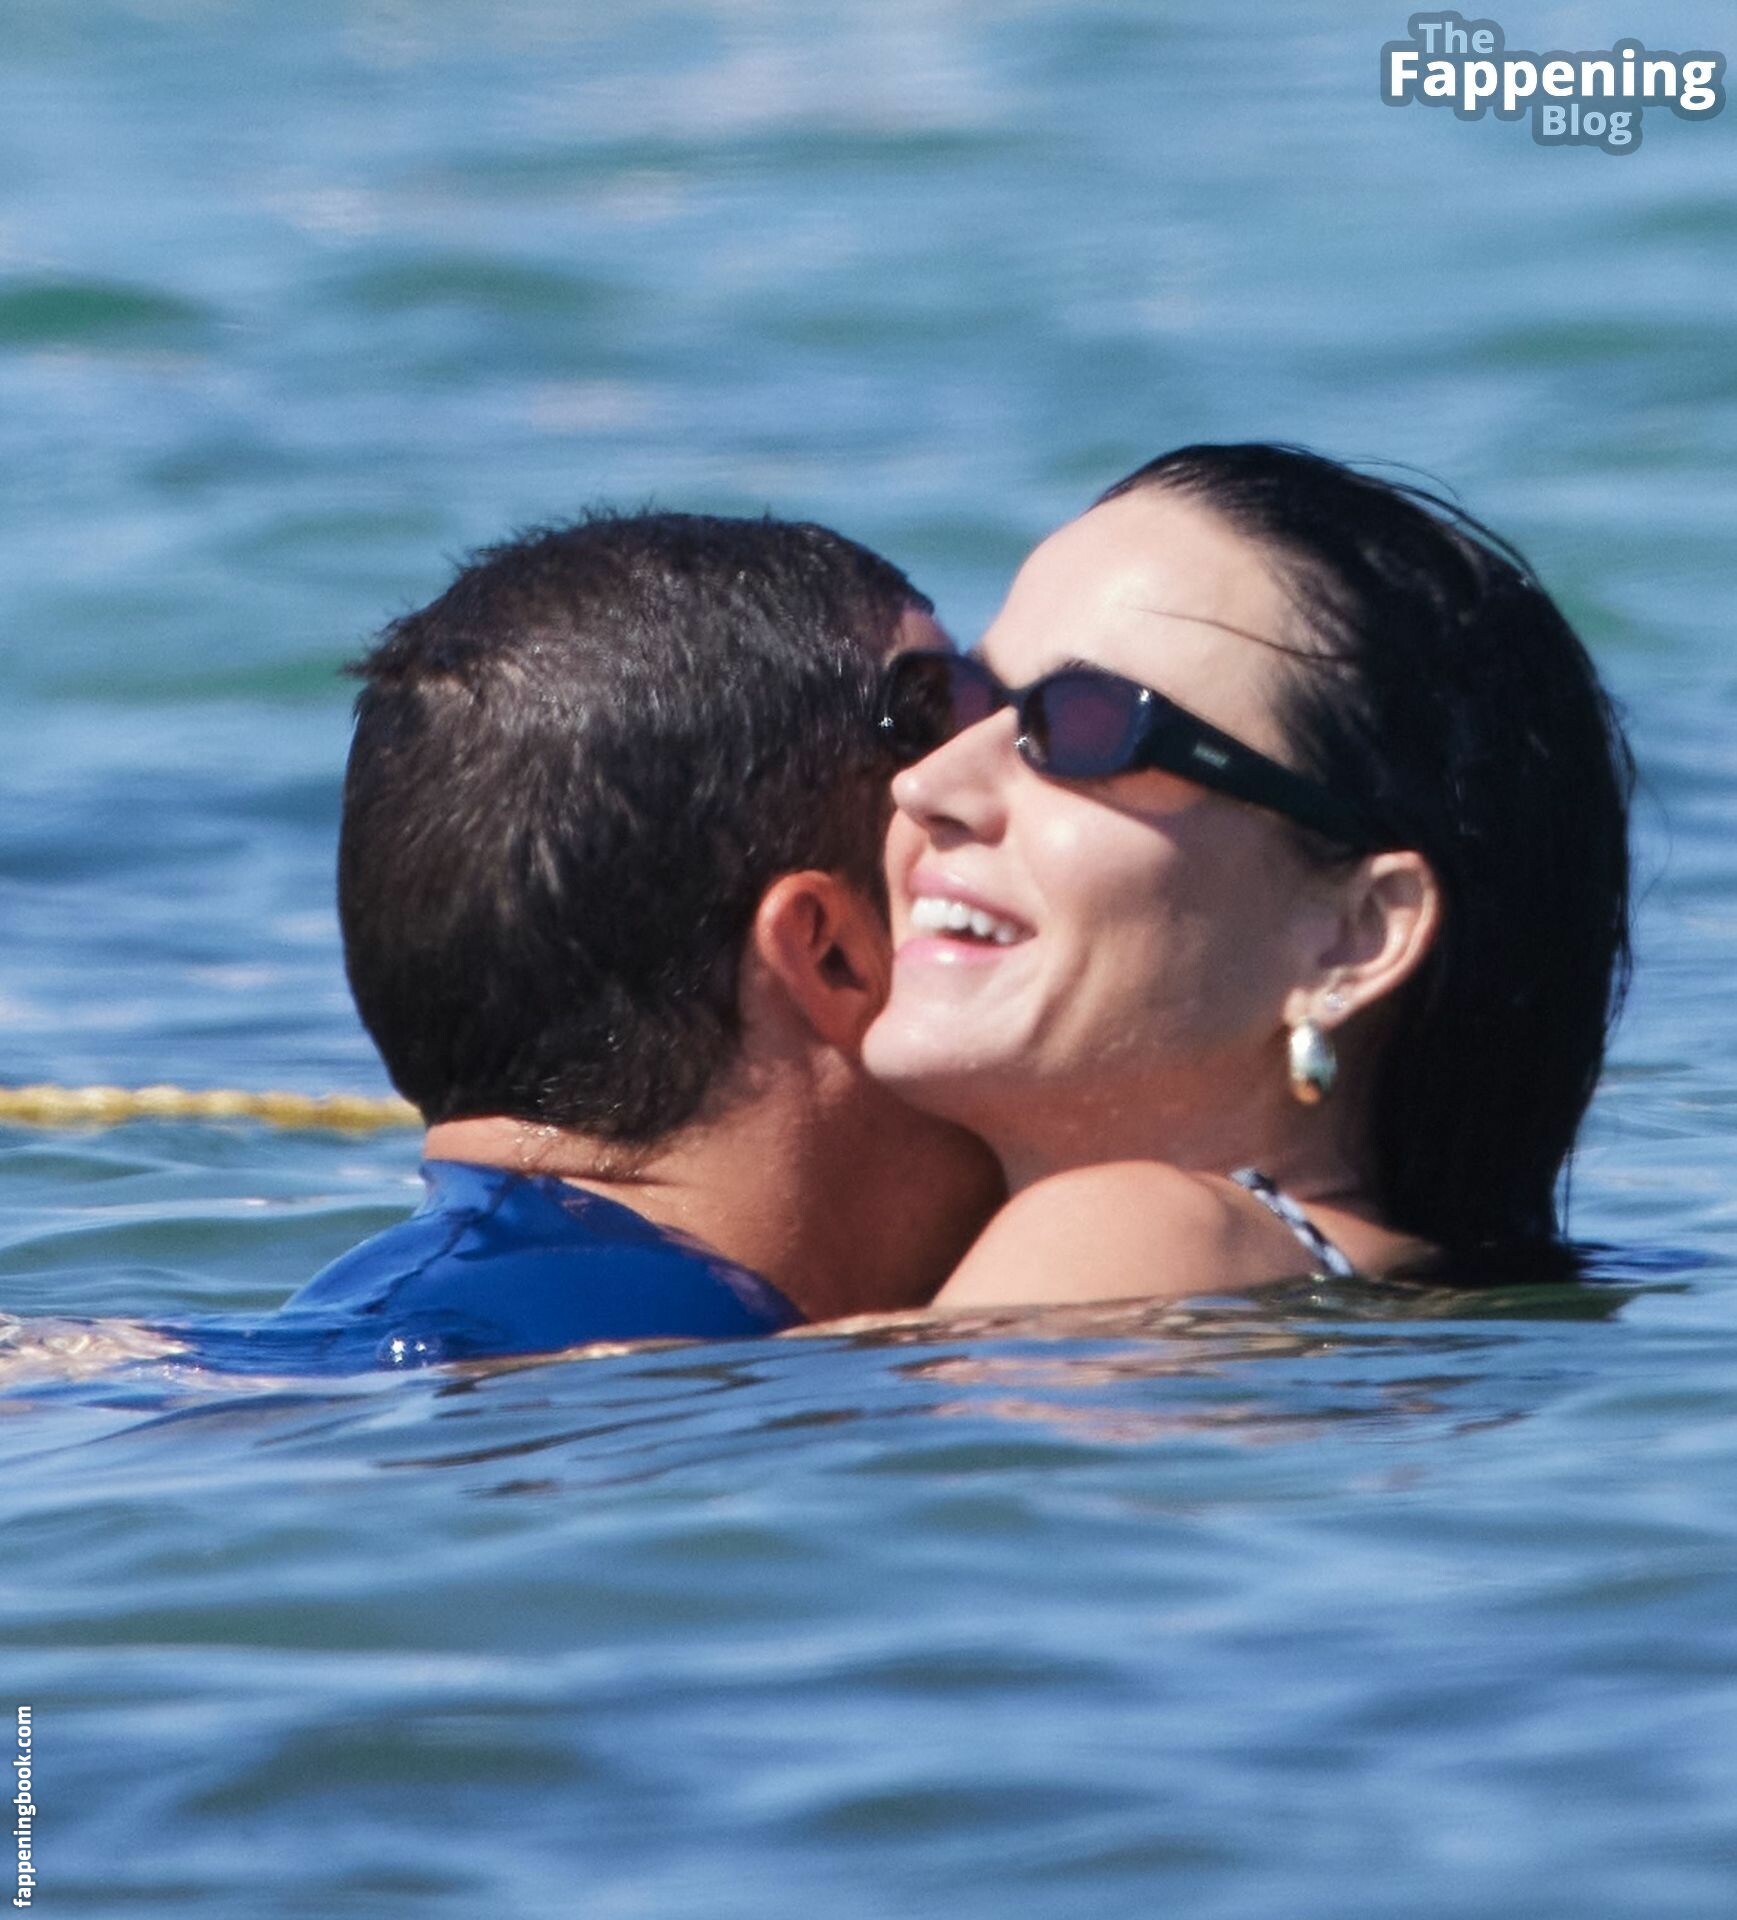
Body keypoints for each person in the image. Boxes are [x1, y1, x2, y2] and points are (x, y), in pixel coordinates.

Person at [176, 511, 1001, 1371]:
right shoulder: (686, 1369)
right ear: (829, 954)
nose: (1017, 774)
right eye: (958, 719)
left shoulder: (381, 1328)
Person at [864, 442, 1633, 1309]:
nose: (924, 785)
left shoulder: (1128, 1233)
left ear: (1356, 934)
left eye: (1086, 727)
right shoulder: (1342, 1287)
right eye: (957, 701)